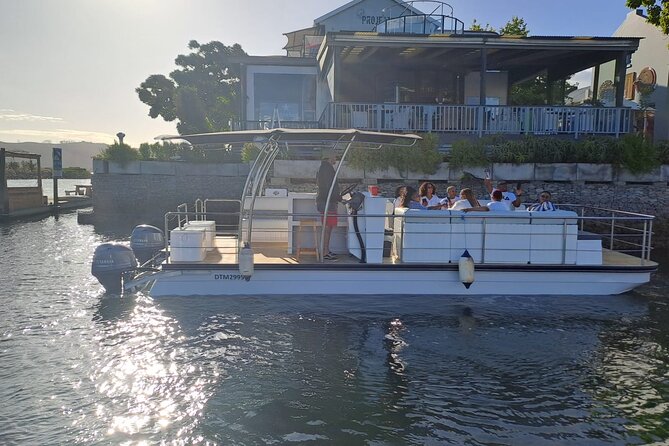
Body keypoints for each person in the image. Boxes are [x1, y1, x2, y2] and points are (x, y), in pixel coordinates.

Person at [316, 152, 340, 260]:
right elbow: (329, 186)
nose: (336, 158)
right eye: (335, 156)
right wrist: (337, 197)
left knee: (328, 227)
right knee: (327, 227)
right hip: (327, 202)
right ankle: (325, 252)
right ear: (330, 157)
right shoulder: (327, 169)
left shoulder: (324, 168)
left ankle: (326, 250)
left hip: (326, 201)